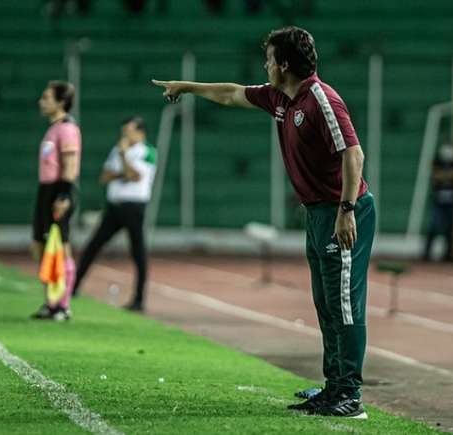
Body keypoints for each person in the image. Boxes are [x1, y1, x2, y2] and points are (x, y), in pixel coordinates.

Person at [153, 25, 375, 419]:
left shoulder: (321, 99)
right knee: (326, 304)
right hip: (318, 212)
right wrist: (186, 86)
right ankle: (333, 387)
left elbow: (354, 155)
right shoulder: (280, 97)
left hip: (342, 212)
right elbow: (232, 92)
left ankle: (350, 396)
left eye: (270, 58)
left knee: (343, 305)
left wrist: (346, 211)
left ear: (284, 64)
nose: (266, 64)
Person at [72, 116, 157, 312]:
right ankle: (74, 287)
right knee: (93, 246)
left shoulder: (148, 152)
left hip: (134, 207)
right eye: (124, 131)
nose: (125, 135)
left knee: (138, 253)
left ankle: (138, 300)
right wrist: (122, 167)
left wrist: (124, 159)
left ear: (140, 133)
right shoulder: (116, 150)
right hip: (114, 207)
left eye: (129, 131)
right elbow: (104, 176)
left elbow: (134, 176)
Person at [31, 80, 82, 321]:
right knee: (40, 247)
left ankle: (63, 304)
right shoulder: (53, 128)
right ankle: (51, 301)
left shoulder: (67, 129)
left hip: (58, 191)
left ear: (61, 102)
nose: (42, 102)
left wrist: (63, 196)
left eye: (46, 97)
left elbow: (70, 166)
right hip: (46, 190)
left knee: (61, 247)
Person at [423, 142, 453, 262]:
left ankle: (449, 253)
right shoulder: (437, 161)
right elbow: (436, 176)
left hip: (451, 200)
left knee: (450, 228)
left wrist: (444, 176)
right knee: (434, 225)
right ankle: (427, 252)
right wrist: (448, 176)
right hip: (438, 199)